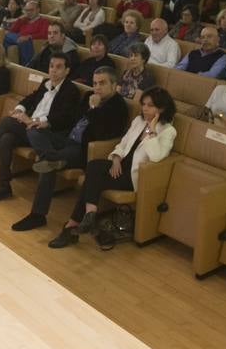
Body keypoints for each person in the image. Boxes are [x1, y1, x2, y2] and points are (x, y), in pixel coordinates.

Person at [50, 87, 178, 250]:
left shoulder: (168, 131)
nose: (145, 108)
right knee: (93, 166)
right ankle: (89, 217)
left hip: (134, 176)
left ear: (162, 108)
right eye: (143, 104)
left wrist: (152, 132)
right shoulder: (138, 121)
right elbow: (123, 144)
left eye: (150, 105)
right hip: (120, 166)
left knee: (91, 180)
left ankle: (74, 225)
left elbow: (157, 156)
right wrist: (116, 159)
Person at [11, 67, 132, 233]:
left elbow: (103, 135)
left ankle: (37, 215)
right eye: (95, 83)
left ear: (114, 85)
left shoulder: (119, 107)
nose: (97, 87)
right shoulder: (89, 96)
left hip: (83, 149)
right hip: (67, 138)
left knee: (47, 165)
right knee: (33, 129)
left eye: (102, 83)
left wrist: (94, 110)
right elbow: (75, 120)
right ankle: (52, 156)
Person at [0, 54, 83, 204]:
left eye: (59, 67)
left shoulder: (70, 90)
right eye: (51, 66)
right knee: (5, 139)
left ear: (67, 71)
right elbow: (30, 98)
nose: (53, 70)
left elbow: (65, 118)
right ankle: (3, 187)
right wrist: (19, 109)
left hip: (45, 134)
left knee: (7, 123)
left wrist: (35, 120)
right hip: (29, 127)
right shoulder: (46, 83)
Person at [4, 0, 50, 64]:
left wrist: (29, 37)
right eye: (27, 10)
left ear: (38, 10)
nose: (29, 12)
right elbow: (12, 30)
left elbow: (44, 34)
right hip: (18, 41)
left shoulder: (43, 21)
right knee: (6, 36)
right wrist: (20, 19)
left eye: (31, 10)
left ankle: (27, 64)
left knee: (23, 40)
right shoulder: (24, 20)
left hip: (31, 42)